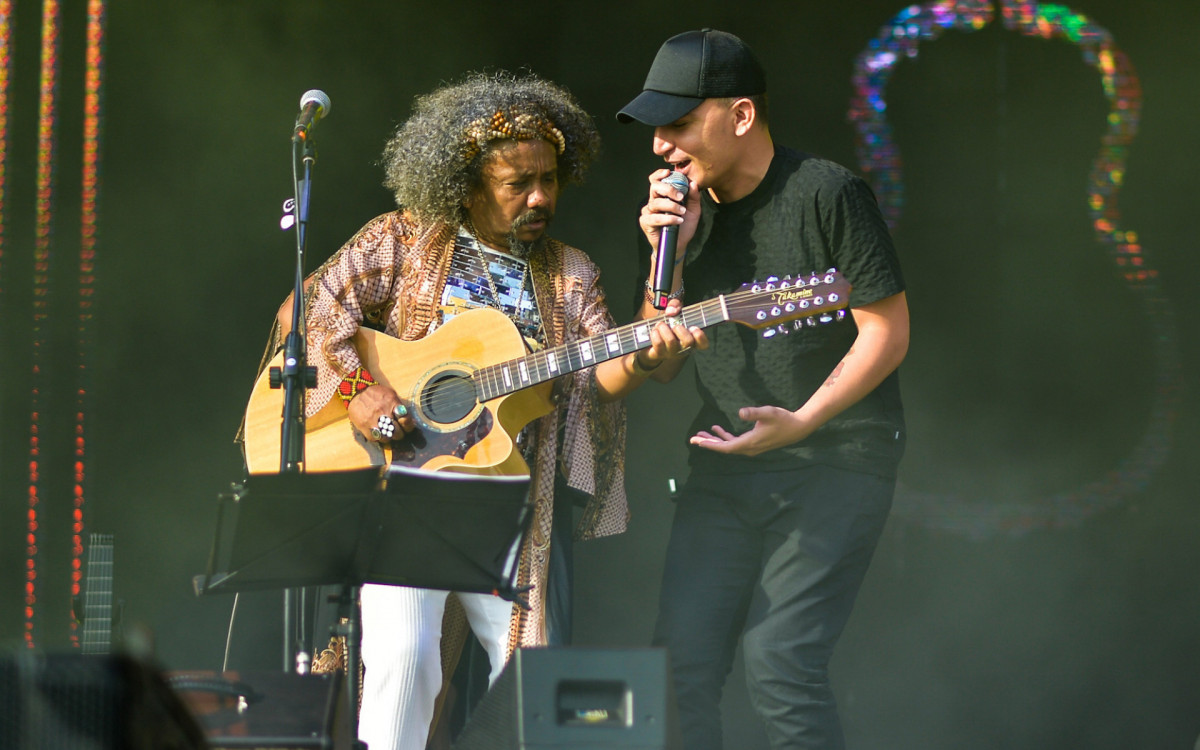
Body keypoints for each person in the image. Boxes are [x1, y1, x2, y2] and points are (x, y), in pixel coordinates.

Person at [254, 71, 693, 750]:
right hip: (405, 485)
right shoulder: (402, 238)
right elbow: (304, 311)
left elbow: (602, 374)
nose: (540, 196)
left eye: (549, 179)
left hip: (514, 498)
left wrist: (645, 346)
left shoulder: (569, 271)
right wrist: (356, 392)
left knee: (534, 668)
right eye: (519, 183)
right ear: (467, 180)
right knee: (403, 656)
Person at [617, 29, 910, 750]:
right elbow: (660, 365)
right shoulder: (684, 220)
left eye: (679, 124)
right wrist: (672, 260)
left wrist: (805, 420)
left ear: (740, 115)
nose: (662, 145)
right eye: (657, 129)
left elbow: (888, 331)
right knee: (678, 666)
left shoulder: (827, 193)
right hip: (724, 466)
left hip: (835, 458)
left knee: (780, 662)